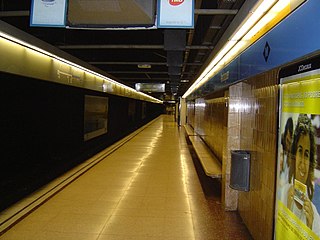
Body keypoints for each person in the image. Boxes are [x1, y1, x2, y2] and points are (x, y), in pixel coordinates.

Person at [286, 114, 320, 235]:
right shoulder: (283, 193)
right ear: (294, 156)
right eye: (300, 151)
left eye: (307, 154)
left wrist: (309, 226)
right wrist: (287, 209)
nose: (302, 163)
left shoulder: (314, 215)